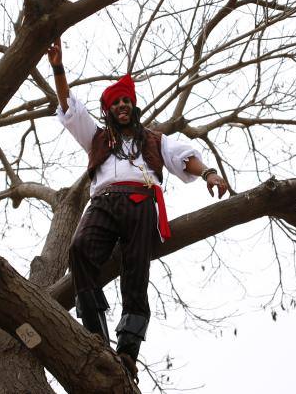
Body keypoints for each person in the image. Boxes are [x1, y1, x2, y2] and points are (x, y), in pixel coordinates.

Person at [47, 37, 228, 381]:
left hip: (141, 202)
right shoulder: (97, 137)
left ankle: (128, 351)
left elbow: (183, 157)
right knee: (80, 250)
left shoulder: (154, 139)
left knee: (135, 275)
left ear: (134, 106)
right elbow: (69, 107)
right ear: (109, 110)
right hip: (103, 202)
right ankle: (95, 336)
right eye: (117, 103)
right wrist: (58, 68)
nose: (123, 106)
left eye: (128, 101)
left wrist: (209, 173)